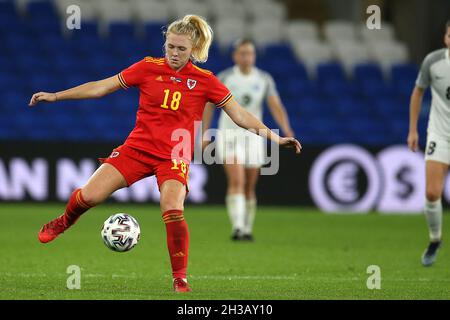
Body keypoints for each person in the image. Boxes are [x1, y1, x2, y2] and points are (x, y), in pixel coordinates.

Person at [28, 15, 301, 292]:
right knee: (90, 196)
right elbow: (101, 87)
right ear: (165, 44)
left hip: (174, 156)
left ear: (193, 50)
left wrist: (275, 138)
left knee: (172, 208)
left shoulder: (205, 81)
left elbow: (240, 115)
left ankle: (179, 278)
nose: (174, 53)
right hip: (137, 149)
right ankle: (63, 221)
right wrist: (56, 96)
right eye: (170, 46)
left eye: (181, 49)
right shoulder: (147, 67)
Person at [202, 38, 294, 241]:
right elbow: (208, 105)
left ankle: (247, 228)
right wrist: (204, 132)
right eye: (242, 53)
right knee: (237, 179)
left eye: (249, 53)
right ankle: (237, 228)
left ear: (254, 56)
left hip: (254, 135)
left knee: (249, 185)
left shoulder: (264, 79)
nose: (246, 57)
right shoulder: (225, 77)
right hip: (229, 134)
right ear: (235, 56)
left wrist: (287, 131)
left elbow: (275, 106)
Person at [407, 20, 450, 267]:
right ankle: (435, 239)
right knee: (432, 192)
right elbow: (417, 92)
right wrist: (413, 130)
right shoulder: (433, 62)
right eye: (449, 35)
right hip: (439, 134)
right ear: (445, 38)